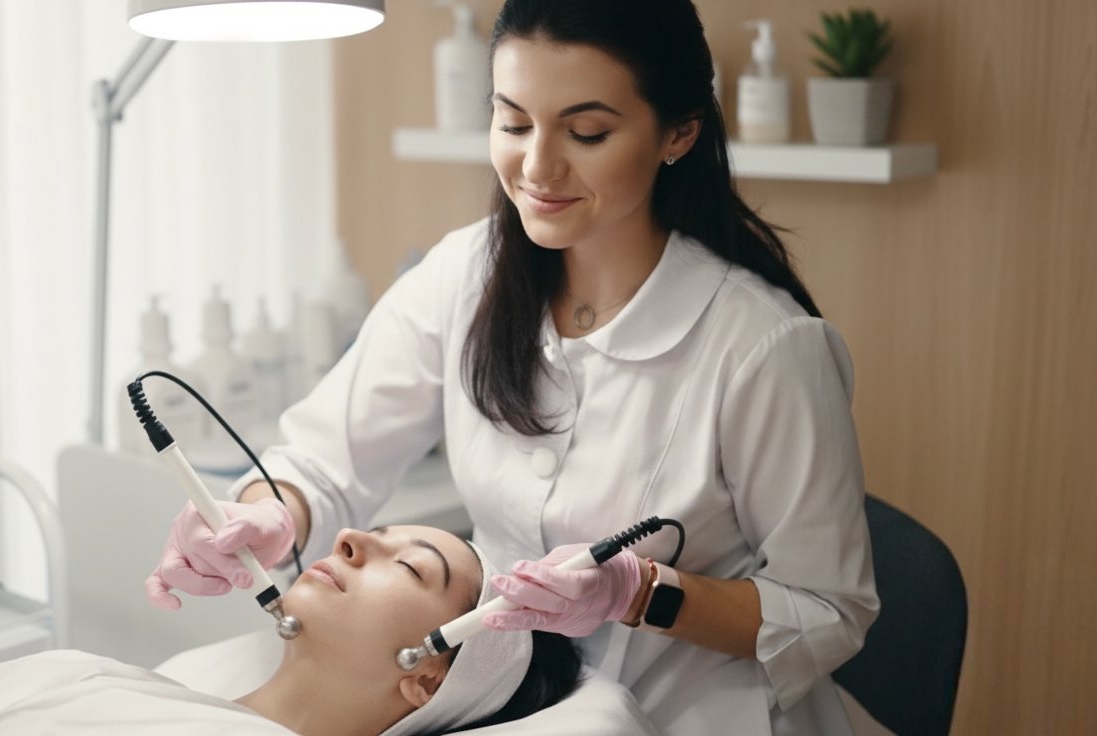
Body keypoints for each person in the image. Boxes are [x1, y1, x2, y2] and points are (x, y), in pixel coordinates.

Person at [146, 0, 879, 733]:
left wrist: (640, 591)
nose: (536, 167)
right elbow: (325, 463)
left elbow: (828, 611)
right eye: (514, 122)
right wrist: (262, 517)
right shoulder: (465, 274)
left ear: (678, 132)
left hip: (692, 712)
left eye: (587, 132)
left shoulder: (764, 347)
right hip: (504, 706)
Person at [0, 525, 585, 736]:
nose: (352, 541)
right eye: (378, 533)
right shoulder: (115, 682)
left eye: (410, 570)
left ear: (428, 675)